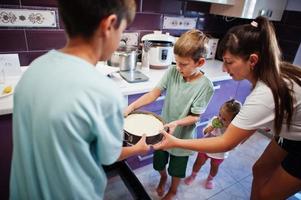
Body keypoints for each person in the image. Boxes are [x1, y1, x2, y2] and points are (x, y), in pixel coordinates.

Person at [10, 1, 150, 199]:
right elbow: (110, 156)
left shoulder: (34, 69)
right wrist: (137, 148)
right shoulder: (104, 92)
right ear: (109, 25)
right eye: (123, 30)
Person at [154, 16, 301, 200]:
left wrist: (175, 142)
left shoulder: (264, 95)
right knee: (259, 169)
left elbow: (226, 143)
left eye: (229, 62)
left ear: (253, 60)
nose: (224, 68)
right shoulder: (272, 75)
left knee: (267, 196)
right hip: (290, 135)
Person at [124, 29, 214, 200]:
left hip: (182, 138)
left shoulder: (205, 86)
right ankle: (163, 177)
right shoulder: (172, 72)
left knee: (176, 170)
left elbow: (195, 117)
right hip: (162, 134)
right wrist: (132, 106)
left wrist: (176, 123)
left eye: (183, 64)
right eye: (176, 62)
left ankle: (173, 190)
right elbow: (154, 94)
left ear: (200, 62)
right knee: (159, 163)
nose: (178, 67)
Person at [184, 99, 241, 189]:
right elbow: (204, 131)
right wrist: (210, 128)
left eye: (224, 119)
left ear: (233, 121)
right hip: (205, 148)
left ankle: (210, 179)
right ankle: (193, 175)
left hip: (219, 154)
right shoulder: (214, 120)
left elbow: (233, 145)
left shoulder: (233, 130)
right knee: (198, 162)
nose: (220, 119)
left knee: (214, 167)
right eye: (220, 115)